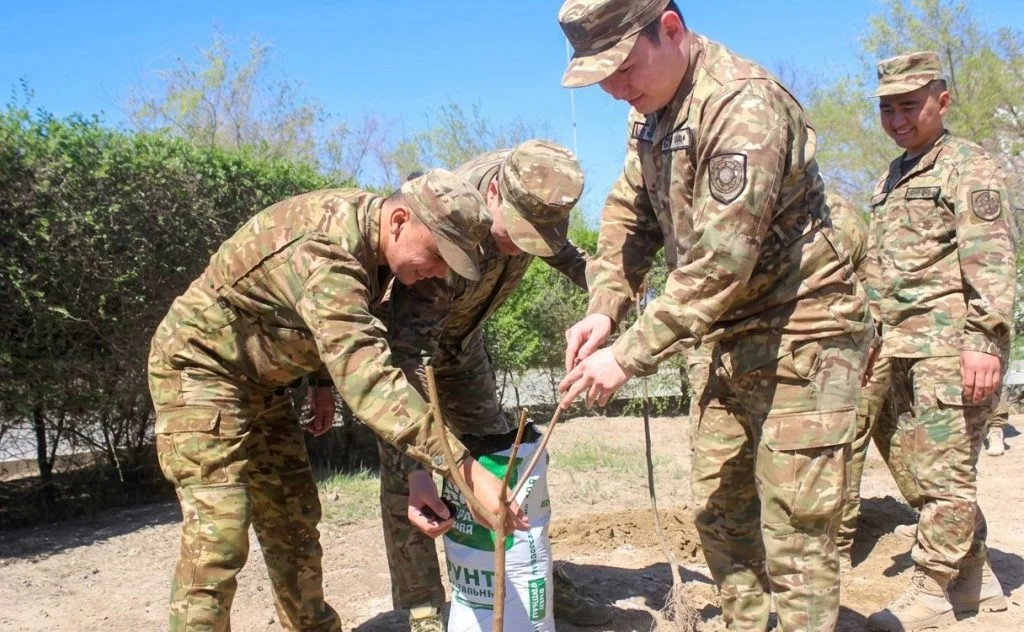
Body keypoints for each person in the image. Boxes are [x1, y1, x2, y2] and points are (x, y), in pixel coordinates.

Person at [555, 1, 872, 629]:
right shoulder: (647, 113)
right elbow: (628, 215)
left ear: (670, 29)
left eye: (622, 67)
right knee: (720, 511)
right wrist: (605, 306)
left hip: (805, 333)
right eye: (601, 78)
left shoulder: (742, 105)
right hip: (731, 338)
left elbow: (722, 264)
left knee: (797, 530)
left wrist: (625, 356)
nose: (616, 90)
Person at [148, 170, 525, 632]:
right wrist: (464, 470)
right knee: (219, 535)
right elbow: (368, 375)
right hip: (200, 372)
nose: (440, 273)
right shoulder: (327, 249)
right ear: (401, 220)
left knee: (293, 520)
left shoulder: (378, 244)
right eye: (437, 255)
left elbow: (338, 332)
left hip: (264, 383)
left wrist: (322, 384)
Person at [379, 140, 612, 630]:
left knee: (499, 460)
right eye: (519, 236)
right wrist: (423, 458)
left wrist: (614, 308)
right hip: (409, 358)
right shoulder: (447, 216)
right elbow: (408, 356)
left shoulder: (534, 197)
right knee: (414, 476)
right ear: (492, 196)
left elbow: (580, 264)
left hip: (462, 349)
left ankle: (531, 582)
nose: (528, 248)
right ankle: (421, 609)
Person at [861, 51, 1017, 631]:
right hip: (900, 345)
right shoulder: (892, 174)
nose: (898, 119)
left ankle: (931, 591)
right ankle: (976, 575)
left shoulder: (967, 167)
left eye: (910, 106)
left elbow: (993, 261)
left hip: (951, 346)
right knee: (917, 469)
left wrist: (984, 339)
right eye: (887, 108)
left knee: (947, 475)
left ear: (941, 101)